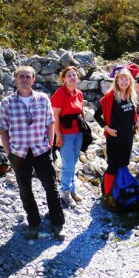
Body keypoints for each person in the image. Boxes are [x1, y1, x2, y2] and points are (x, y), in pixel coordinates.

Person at [0, 66, 65, 240]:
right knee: (25, 188)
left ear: (34, 80)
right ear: (15, 79)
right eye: (21, 76)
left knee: (51, 186)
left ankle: (57, 223)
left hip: (41, 149)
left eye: (28, 76)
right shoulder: (7, 103)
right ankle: (34, 222)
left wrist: (50, 144)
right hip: (18, 153)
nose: (24, 79)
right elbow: (3, 130)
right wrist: (8, 153)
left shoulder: (43, 99)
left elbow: (50, 122)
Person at [94, 68, 139, 196]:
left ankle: (119, 189)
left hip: (128, 136)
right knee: (112, 166)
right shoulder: (110, 96)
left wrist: (137, 121)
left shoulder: (131, 95)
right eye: (121, 79)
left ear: (130, 81)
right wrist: (107, 129)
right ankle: (107, 194)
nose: (124, 82)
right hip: (114, 137)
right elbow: (97, 116)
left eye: (127, 79)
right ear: (117, 80)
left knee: (124, 163)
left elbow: (135, 111)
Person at [50, 66, 84, 208]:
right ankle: (65, 192)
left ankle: (72, 189)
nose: (72, 77)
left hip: (78, 132)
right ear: (63, 79)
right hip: (65, 134)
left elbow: (81, 113)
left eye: (74, 75)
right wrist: (58, 136)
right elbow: (55, 117)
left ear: (77, 78)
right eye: (68, 75)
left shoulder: (79, 93)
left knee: (74, 162)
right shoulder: (59, 94)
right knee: (68, 164)